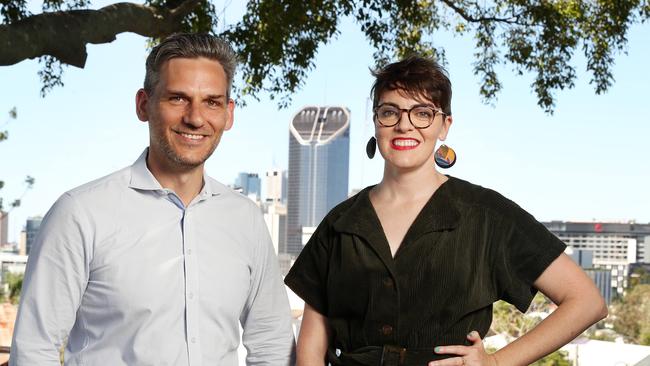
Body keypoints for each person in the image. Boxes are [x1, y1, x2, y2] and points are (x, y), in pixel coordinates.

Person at [284, 56, 607, 366]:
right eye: (389, 112)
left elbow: (586, 302)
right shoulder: (340, 223)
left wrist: (497, 362)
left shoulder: (486, 215)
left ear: (444, 125)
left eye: (422, 113)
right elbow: (311, 350)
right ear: (376, 122)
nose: (404, 125)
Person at [10, 33, 295, 366]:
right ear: (144, 105)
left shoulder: (246, 219)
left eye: (212, 102)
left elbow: (273, 346)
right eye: (177, 98)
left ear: (228, 114)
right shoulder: (80, 214)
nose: (195, 117)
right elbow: (34, 350)